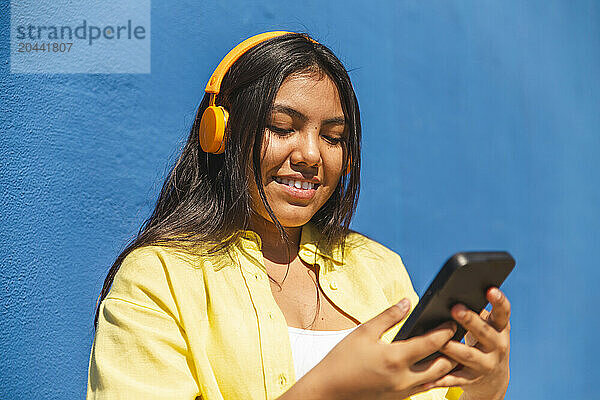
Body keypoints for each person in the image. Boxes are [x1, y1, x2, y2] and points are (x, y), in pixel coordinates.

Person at [87, 31, 511, 400]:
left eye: (333, 137)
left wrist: (482, 389)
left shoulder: (379, 268)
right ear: (220, 132)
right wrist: (329, 390)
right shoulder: (156, 279)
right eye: (282, 126)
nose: (311, 154)